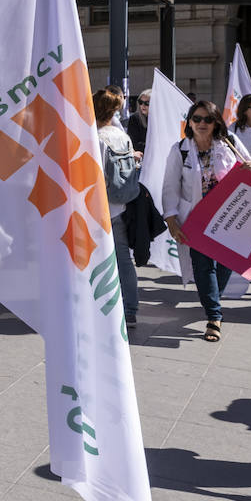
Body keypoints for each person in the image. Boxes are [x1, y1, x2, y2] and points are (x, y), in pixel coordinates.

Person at [161, 100, 251, 342]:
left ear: (216, 123)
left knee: (225, 264)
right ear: (189, 122)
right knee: (203, 266)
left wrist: (250, 168)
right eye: (197, 119)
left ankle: (212, 299)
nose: (202, 123)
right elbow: (170, 187)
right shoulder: (180, 149)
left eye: (207, 119)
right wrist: (171, 219)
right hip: (195, 218)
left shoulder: (229, 143)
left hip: (228, 216)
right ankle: (214, 315)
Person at [94, 87, 141, 330]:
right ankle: (130, 309)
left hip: (99, 210)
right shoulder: (122, 136)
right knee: (124, 260)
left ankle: (99, 307)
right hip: (120, 206)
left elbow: (95, 177)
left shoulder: (96, 138)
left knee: (94, 261)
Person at [127, 88, 151, 153]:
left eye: (147, 103)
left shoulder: (158, 119)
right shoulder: (135, 118)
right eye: (140, 102)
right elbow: (134, 143)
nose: (143, 105)